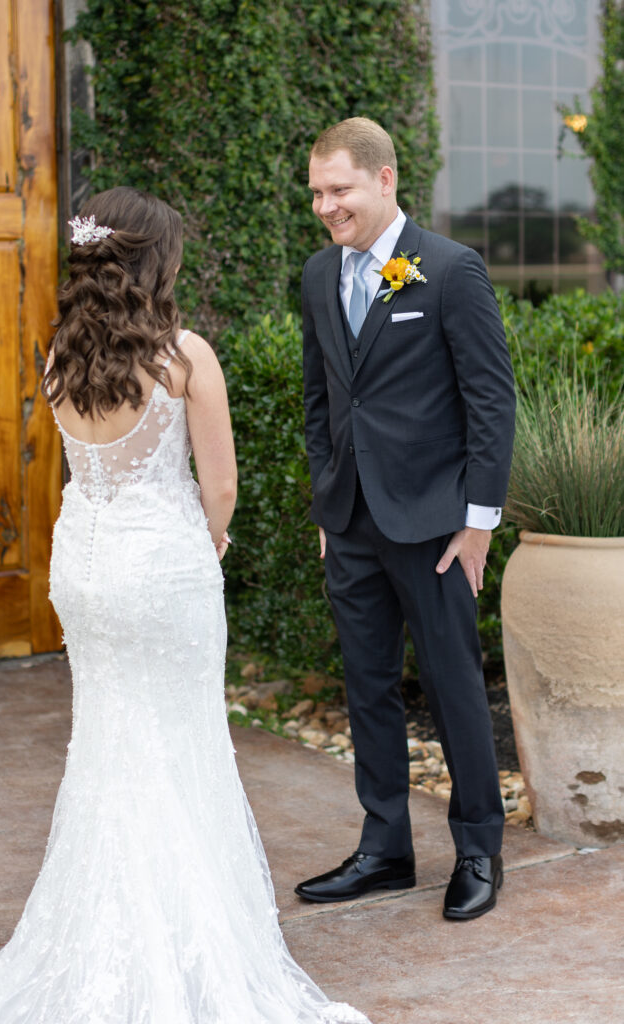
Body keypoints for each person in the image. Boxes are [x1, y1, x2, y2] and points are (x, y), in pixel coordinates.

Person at [0, 187, 370, 1023]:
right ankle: (183, 942)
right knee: (181, 742)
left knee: (108, 741)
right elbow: (221, 484)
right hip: (162, 568)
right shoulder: (183, 357)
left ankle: (102, 928)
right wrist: (209, 540)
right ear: (152, 261)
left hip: (87, 567)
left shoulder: (58, 355)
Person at [296, 118, 516, 920]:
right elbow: (322, 398)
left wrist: (478, 520)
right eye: (317, 192)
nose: (325, 206)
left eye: (339, 189)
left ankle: (478, 850)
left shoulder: (450, 271)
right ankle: (385, 847)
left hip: (434, 526)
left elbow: (490, 401)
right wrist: (329, 500)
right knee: (368, 686)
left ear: (384, 180)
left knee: (454, 685)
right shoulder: (320, 276)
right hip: (350, 523)